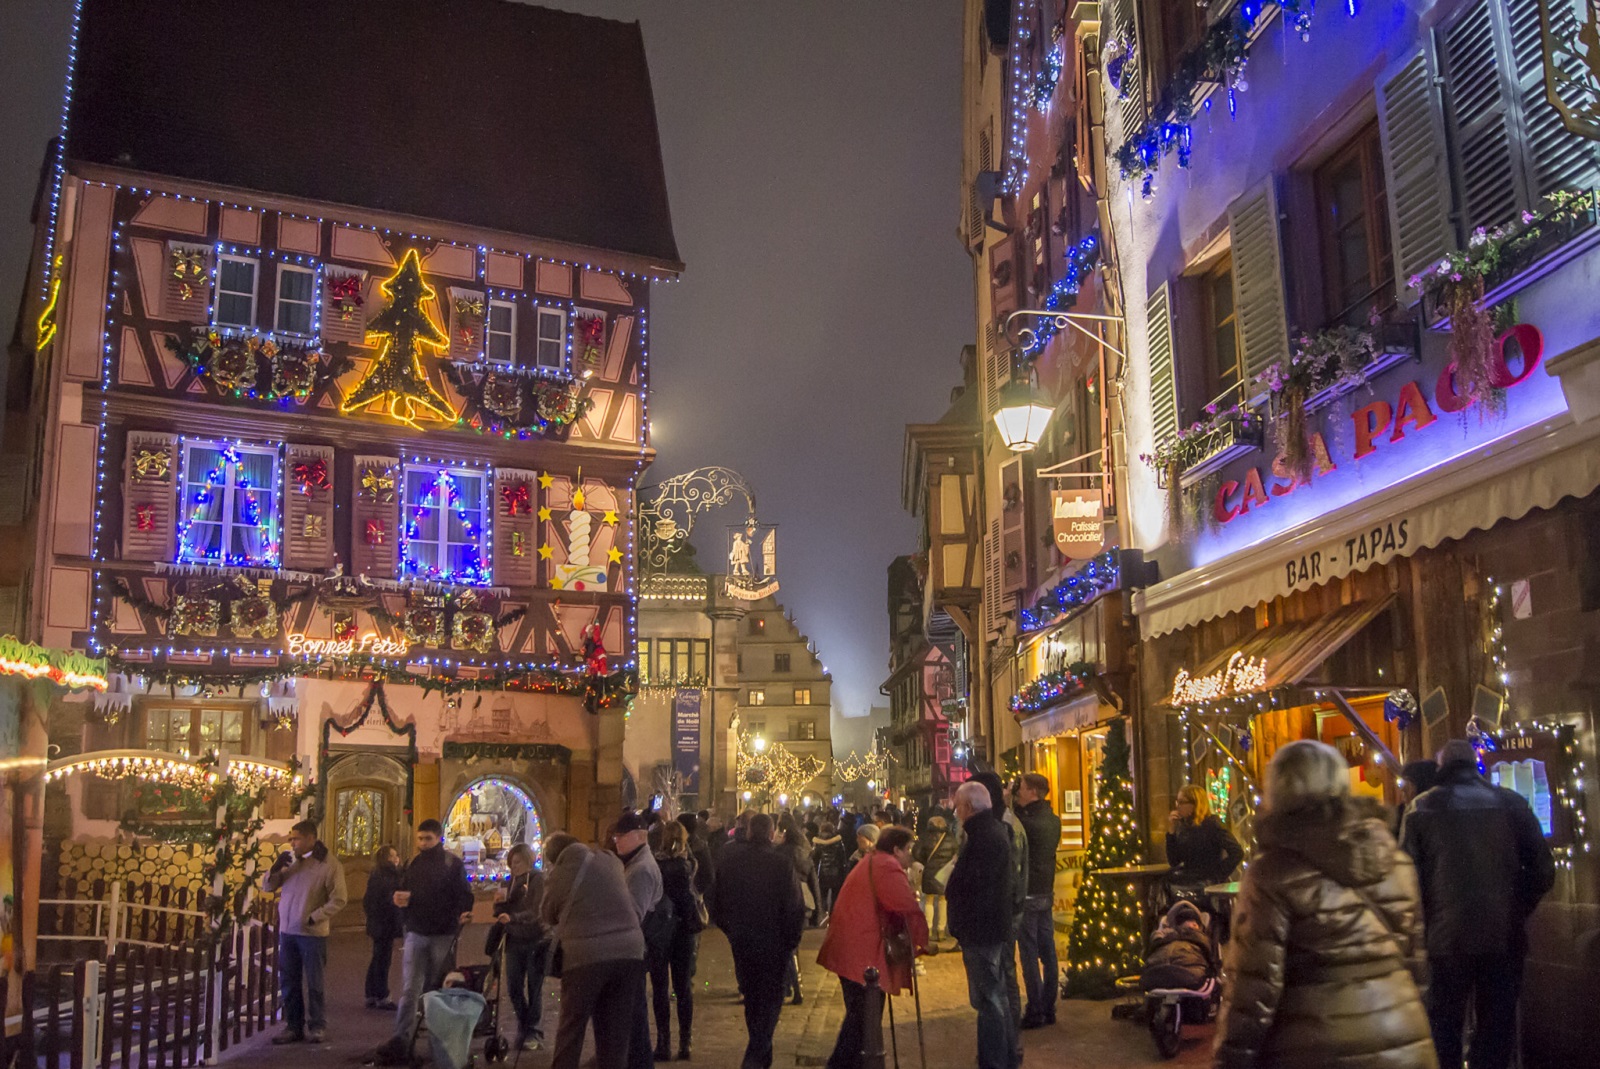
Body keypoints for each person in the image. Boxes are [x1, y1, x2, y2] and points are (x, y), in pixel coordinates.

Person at [1213, 740, 1435, 1069]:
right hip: (1403, 1035)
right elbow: (1415, 966)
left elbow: (1253, 991)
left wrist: (1230, 1059)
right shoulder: (1392, 859)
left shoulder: (1272, 872)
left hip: (1314, 1045)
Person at [1402, 739, 1555, 1069]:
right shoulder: (1511, 803)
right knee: (1495, 1032)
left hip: (1445, 941)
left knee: (1444, 1031)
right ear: (1475, 765)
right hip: (1503, 937)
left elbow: (1408, 881)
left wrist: (1425, 924)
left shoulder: (1420, 809)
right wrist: (1516, 907)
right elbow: (1543, 870)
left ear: (1441, 768)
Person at [816, 826, 928, 1069]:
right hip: (861, 950)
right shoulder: (886, 866)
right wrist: (923, 939)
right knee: (862, 1019)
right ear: (896, 849)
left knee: (861, 1016)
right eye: (907, 849)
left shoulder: (873, 861)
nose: (910, 854)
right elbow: (905, 906)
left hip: (850, 946)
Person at [541, 833, 647, 1069]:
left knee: (572, 1028)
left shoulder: (561, 872)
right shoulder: (610, 859)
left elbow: (548, 912)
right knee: (615, 1032)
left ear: (554, 858)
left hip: (586, 956)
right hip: (630, 951)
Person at [711, 813, 805, 1069]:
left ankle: (760, 1054)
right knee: (771, 999)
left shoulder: (731, 862)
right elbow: (795, 907)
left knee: (752, 997)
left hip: (743, 940)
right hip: (774, 943)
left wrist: (732, 930)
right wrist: (790, 940)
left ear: (750, 832)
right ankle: (756, 1054)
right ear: (772, 834)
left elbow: (716, 903)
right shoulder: (780, 864)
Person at [380, 819, 475, 1059]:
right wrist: (400, 903)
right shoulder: (413, 863)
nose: (423, 843)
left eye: (428, 839)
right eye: (420, 839)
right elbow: (403, 890)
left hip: (443, 933)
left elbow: (464, 894)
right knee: (410, 989)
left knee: (438, 990)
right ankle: (402, 1039)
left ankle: (439, 1043)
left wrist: (463, 912)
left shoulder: (451, 864)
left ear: (438, 838)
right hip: (416, 932)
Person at [944, 782, 1016, 1069]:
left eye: (958, 806)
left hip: (982, 929)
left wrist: (954, 890)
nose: (955, 811)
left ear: (969, 808)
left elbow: (973, 885)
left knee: (989, 1000)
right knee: (994, 997)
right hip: (986, 927)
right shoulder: (987, 833)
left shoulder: (984, 837)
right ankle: (1004, 1056)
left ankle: (995, 1061)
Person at [264, 819, 347, 1045]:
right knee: (288, 980)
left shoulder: (329, 865)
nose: (293, 843)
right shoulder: (291, 862)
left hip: (312, 933)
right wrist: (274, 869)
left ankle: (318, 1025)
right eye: (291, 839)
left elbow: (339, 899)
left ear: (311, 838)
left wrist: (314, 917)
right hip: (288, 931)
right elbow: (268, 887)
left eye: (297, 839)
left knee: (314, 982)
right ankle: (293, 1026)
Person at [972, 771, 1026, 1067]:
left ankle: (1009, 1048)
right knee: (1002, 984)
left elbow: (1011, 878)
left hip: (1003, 916)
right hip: (1004, 914)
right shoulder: (1003, 824)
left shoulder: (1004, 827)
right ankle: (1006, 1047)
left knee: (1003, 984)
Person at [614, 812, 665, 1069]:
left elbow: (632, 913)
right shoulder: (634, 863)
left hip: (634, 948)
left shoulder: (641, 869)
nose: (616, 841)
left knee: (634, 1012)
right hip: (633, 947)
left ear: (638, 836)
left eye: (621, 836)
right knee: (632, 1011)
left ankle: (639, 1062)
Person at [652, 820, 705, 1060]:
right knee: (683, 988)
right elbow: (688, 899)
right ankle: (685, 1042)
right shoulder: (687, 865)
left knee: (660, 989)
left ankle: (663, 1042)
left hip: (659, 932)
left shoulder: (655, 864)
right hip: (682, 932)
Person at [1012, 773, 1061, 1028]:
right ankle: (1049, 1006)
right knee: (1049, 952)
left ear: (1032, 791)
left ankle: (1036, 1009)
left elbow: (1011, 825)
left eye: (1021, 788)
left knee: (1029, 953)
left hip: (1029, 893)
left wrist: (1008, 802)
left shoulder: (1026, 823)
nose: (1018, 792)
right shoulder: (1053, 820)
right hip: (1046, 891)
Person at [493, 843, 548, 1051]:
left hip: (534, 940)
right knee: (514, 987)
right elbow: (502, 912)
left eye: (517, 862)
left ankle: (532, 1030)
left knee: (534, 987)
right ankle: (525, 1026)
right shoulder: (510, 882)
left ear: (527, 860)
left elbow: (536, 910)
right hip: (513, 940)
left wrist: (513, 917)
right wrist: (498, 905)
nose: (513, 866)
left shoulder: (537, 879)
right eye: (511, 862)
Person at [1165, 783, 1244, 892]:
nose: (1177, 806)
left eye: (1181, 802)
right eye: (1177, 802)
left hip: (1206, 880)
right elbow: (1174, 861)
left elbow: (1237, 852)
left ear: (1195, 804)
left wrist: (1218, 875)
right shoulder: (1184, 826)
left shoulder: (1212, 824)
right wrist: (1171, 832)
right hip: (1189, 878)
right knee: (1163, 885)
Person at [363, 844, 404, 1010]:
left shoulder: (377, 874)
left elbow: (369, 901)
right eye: (394, 856)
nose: (397, 859)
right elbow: (389, 901)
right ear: (388, 859)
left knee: (377, 958)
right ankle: (381, 995)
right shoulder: (389, 876)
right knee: (383, 959)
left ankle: (371, 993)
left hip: (377, 922)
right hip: (385, 922)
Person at [913, 816, 956, 948]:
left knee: (929, 900)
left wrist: (926, 862)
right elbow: (956, 852)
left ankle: (929, 929)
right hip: (945, 873)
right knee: (944, 900)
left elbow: (917, 853)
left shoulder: (925, 837)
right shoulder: (950, 837)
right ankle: (941, 930)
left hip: (930, 872)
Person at [812, 822, 848, 917]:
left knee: (822, 896)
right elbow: (842, 858)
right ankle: (833, 915)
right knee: (835, 897)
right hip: (836, 873)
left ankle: (822, 916)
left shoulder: (818, 841)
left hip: (823, 872)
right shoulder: (838, 841)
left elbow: (815, 857)